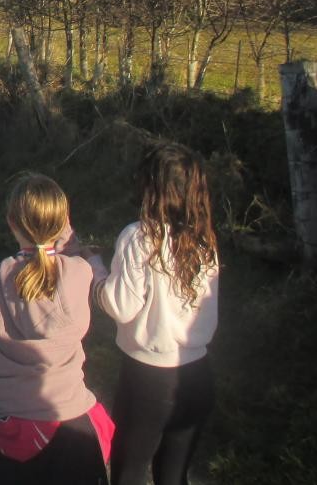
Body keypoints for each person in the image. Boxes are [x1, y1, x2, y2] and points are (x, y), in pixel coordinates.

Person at [0, 173, 113, 485]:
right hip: (73, 423)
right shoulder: (80, 273)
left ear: (11, 222)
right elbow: (66, 254)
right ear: (62, 222)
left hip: (12, 427)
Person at [92, 143, 219, 485]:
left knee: (128, 471)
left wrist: (95, 272)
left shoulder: (139, 236)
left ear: (153, 188)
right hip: (197, 374)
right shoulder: (205, 240)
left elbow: (121, 305)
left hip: (150, 378)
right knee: (174, 475)